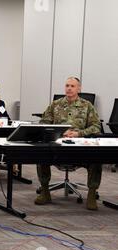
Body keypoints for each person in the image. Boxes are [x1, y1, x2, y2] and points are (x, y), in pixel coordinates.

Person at [36, 77, 102, 211]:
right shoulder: (55, 105)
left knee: (97, 157)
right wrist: (58, 132)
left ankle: (91, 193)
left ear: (79, 88)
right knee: (41, 154)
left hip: (80, 145)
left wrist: (80, 133)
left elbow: (96, 126)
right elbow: (43, 123)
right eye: (67, 85)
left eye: (72, 86)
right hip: (59, 145)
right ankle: (45, 191)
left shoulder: (87, 105)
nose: (69, 88)